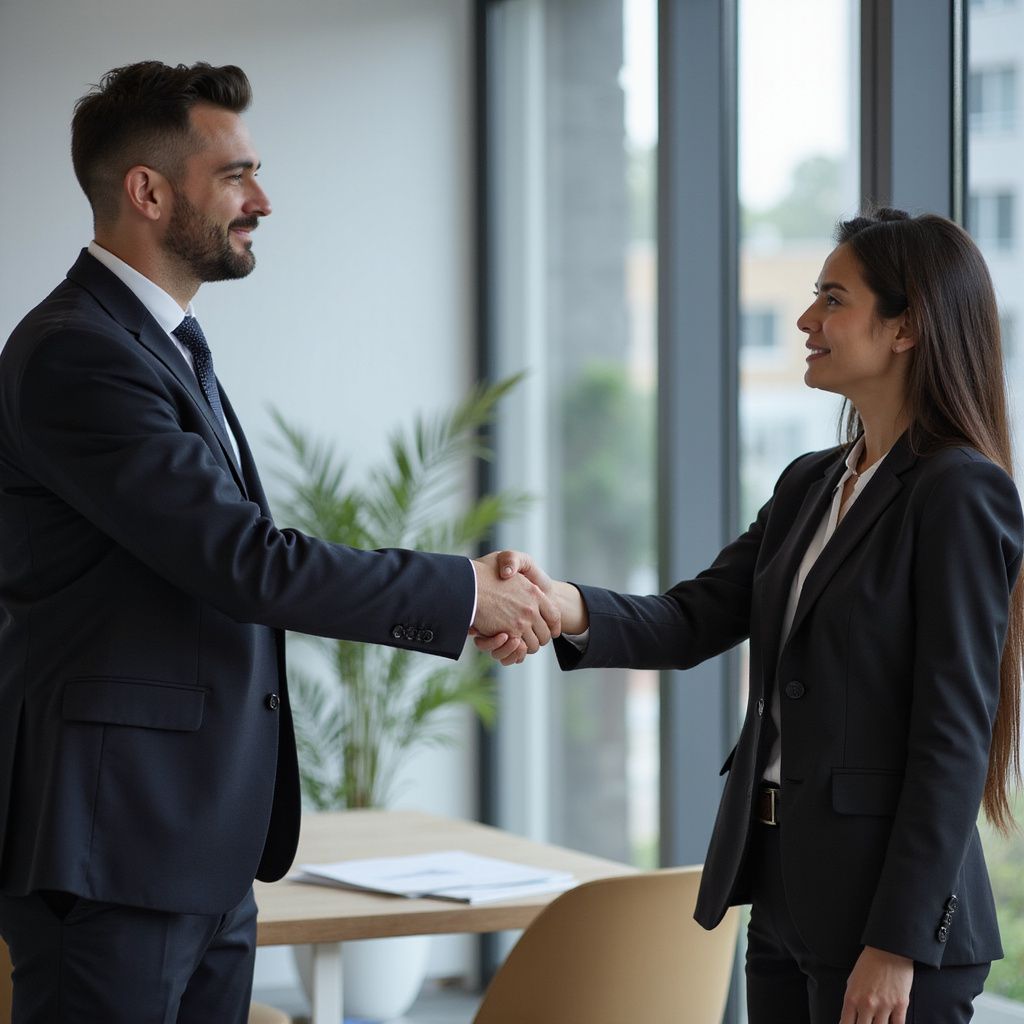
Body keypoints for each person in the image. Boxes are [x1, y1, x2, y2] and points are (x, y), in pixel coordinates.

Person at [0, 60, 559, 1023]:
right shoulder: (77, 353)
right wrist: (465, 595)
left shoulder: (157, 344)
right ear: (148, 190)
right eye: (236, 175)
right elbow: (245, 560)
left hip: (192, 852)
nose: (262, 199)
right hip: (115, 851)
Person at [478, 209, 1024, 1023]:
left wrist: (899, 942)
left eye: (832, 300)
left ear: (905, 327)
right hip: (781, 892)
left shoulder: (958, 492)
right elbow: (694, 616)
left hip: (888, 923)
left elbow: (952, 734)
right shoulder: (812, 483)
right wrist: (562, 606)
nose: (807, 320)